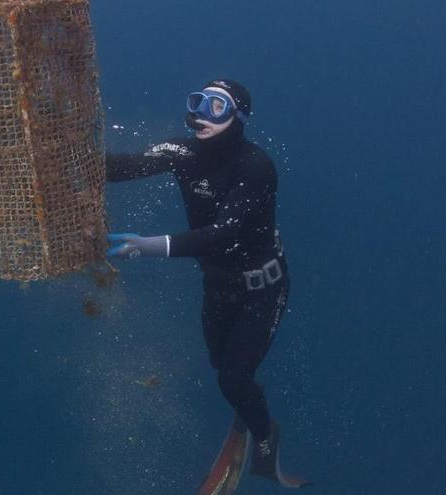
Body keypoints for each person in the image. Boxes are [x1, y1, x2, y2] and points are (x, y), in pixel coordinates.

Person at [105, 79, 305, 485]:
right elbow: (126, 166)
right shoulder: (182, 152)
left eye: (216, 107)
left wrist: (150, 246)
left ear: (239, 116)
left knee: (232, 378)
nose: (201, 114)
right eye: (198, 103)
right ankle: (245, 397)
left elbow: (224, 233)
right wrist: (69, 158)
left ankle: (266, 439)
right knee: (220, 364)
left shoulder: (256, 167)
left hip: (262, 291)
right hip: (217, 286)